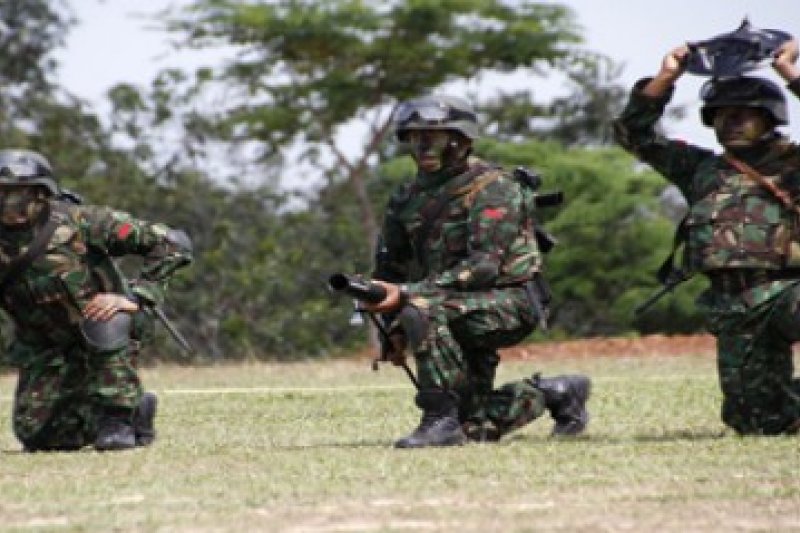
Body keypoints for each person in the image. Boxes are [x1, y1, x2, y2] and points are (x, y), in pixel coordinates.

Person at [362, 95, 591, 448]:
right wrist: (394, 326)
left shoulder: (495, 188)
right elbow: (391, 268)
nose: (422, 146)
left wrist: (409, 298)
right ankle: (555, 393)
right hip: (450, 303)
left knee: (422, 309)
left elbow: (483, 267)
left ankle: (438, 421)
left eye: (434, 137)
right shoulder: (405, 198)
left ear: (463, 140)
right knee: (475, 425)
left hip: (510, 302)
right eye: (414, 137)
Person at [613, 39, 800, 435]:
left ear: (769, 119)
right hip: (733, 304)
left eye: (743, 115)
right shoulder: (700, 169)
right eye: (721, 116)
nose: (730, 123)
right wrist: (666, 77)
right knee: (756, 421)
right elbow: (635, 136)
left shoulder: (792, 163)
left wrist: (789, 73)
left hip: (787, 291)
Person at [0, 149, 193, 451]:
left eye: (17, 195)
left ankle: (118, 417)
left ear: (41, 194)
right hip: (45, 343)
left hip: (106, 327)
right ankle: (136, 408)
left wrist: (140, 297)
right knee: (36, 436)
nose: (9, 205)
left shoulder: (82, 222)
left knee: (105, 318)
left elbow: (172, 243)